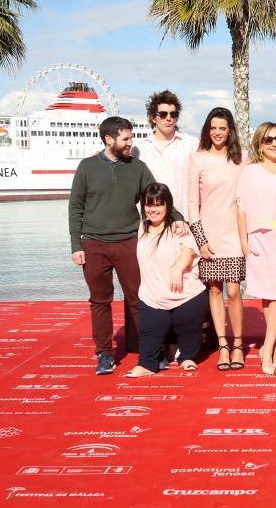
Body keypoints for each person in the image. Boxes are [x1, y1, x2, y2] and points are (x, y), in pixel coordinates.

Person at [68, 116, 184, 375]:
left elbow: (157, 196)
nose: (131, 143)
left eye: (130, 137)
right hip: (93, 244)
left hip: (130, 242)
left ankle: (149, 351)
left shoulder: (138, 167)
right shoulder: (86, 167)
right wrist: (76, 244)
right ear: (109, 140)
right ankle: (105, 354)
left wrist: (177, 218)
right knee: (100, 301)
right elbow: (75, 208)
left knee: (139, 298)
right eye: (126, 139)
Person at [125, 183, 208, 377]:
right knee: (149, 333)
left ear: (167, 205)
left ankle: (187, 356)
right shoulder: (141, 228)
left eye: (158, 204)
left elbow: (189, 250)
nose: (153, 209)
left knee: (188, 326)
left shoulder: (178, 227)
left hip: (185, 293)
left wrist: (178, 269)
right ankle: (147, 364)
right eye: (148, 204)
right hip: (152, 296)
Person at [237, 122, 276, 374]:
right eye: (268, 139)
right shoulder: (250, 171)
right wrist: (243, 240)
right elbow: (240, 207)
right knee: (267, 293)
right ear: (259, 143)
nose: (275, 143)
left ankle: (269, 347)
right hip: (259, 237)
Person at [188, 107, 247, 370]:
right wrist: (200, 240)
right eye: (213, 128)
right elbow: (192, 203)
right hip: (208, 236)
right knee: (214, 289)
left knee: (234, 291)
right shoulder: (197, 159)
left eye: (222, 128)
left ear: (230, 130)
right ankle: (222, 345)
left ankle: (238, 345)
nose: (217, 133)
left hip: (234, 234)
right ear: (207, 130)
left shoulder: (242, 159)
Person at [132, 90, 199, 221]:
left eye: (173, 114)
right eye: (163, 114)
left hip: (185, 220)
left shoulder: (191, 145)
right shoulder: (138, 148)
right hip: (151, 222)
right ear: (153, 118)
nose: (169, 118)